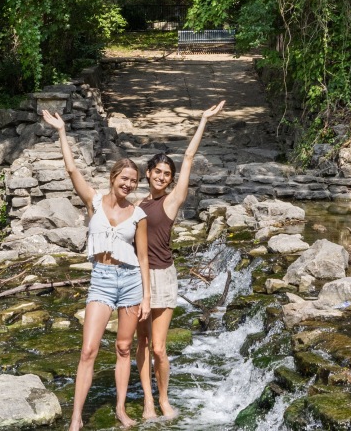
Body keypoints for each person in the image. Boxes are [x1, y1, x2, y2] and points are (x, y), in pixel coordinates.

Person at [41, 108, 151, 431]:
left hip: (130, 282)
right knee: (88, 350)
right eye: (124, 179)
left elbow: (142, 258)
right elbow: (72, 169)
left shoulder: (138, 216)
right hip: (102, 281)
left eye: (133, 181)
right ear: (113, 178)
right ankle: (76, 418)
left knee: (123, 347)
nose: (128, 185)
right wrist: (62, 131)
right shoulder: (94, 200)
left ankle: (119, 408)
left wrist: (146, 297)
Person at [136, 100, 225, 421]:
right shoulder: (138, 204)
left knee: (158, 347)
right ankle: (146, 399)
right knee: (142, 341)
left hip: (164, 276)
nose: (161, 177)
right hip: (137, 278)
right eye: (157, 172)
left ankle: (162, 398)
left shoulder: (172, 201)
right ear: (148, 174)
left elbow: (188, 157)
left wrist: (203, 119)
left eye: (166, 174)